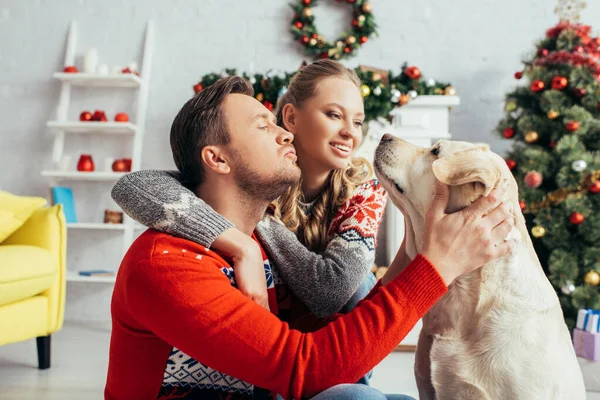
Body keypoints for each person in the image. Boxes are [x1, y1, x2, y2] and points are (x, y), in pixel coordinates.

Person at [105, 76, 515, 400]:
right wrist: (438, 267)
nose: (284, 135)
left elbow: (327, 337)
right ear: (217, 158)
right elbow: (307, 367)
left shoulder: (265, 244)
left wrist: (420, 251)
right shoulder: (167, 264)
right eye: (263, 126)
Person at [112, 60, 386, 324]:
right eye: (334, 115)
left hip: (334, 336)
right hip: (276, 324)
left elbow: (331, 292)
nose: (351, 132)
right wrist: (242, 244)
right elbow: (134, 185)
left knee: (361, 282)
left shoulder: (363, 191)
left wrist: (260, 222)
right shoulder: (260, 172)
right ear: (291, 117)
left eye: (359, 121)